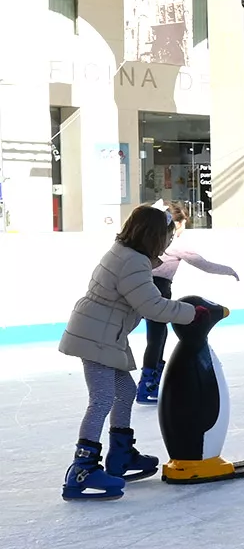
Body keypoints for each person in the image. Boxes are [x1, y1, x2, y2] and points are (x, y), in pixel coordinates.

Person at [57, 205, 200, 499]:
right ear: (153, 235)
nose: (168, 242)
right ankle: (82, 470)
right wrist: (192, 313)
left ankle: (120, 455)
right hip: (97, 335)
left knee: (124, 391)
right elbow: (152, 306)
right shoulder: (132, 262)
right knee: (102, 398)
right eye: (166, 236)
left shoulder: (125, 252)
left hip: (105, 333)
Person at [137, 201, 239, 405]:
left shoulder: (150, 241)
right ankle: (146, 385)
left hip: (149, 290)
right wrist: (229, 270)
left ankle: (151, 382)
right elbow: (205, 265)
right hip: (158, 292)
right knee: (156, 338)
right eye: (183, 224)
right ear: (176, 224)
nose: (184, 229)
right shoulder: (175, 245)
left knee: (158, 336)